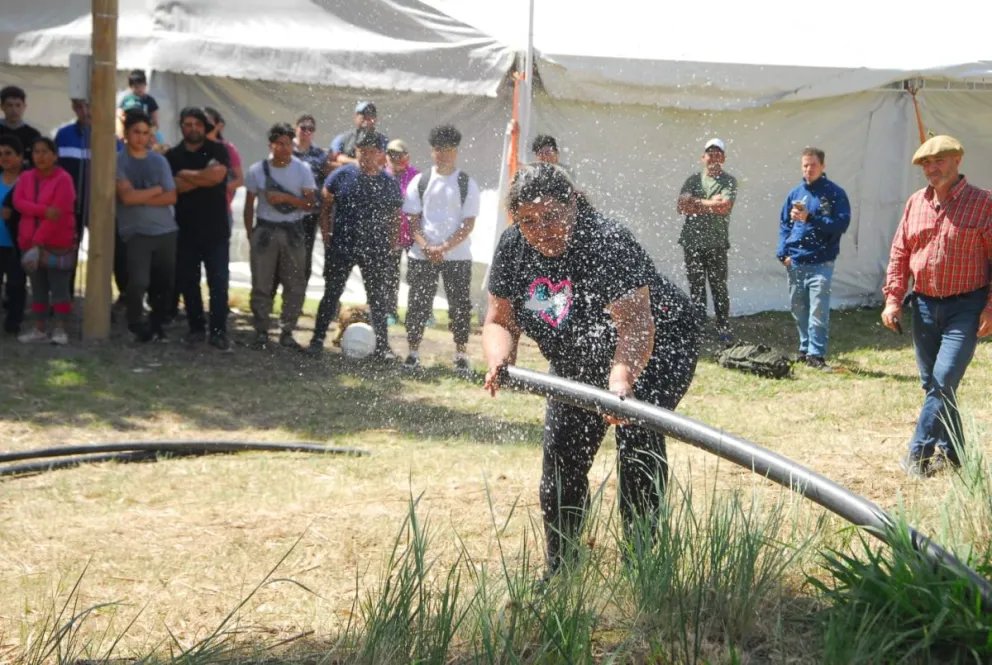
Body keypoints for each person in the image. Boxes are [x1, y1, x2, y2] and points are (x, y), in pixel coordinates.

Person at [482, 163, 700, 579]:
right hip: (580, 352)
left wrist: (620, 381)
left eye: (551, 216)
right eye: (528, 221)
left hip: (659, 340)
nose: (541, 230)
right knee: (562, 457)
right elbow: (499, 320)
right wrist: (499, 358)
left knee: (636, 442)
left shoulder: (606, 240)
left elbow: (636, 323)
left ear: (574, 204)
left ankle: (641, 569)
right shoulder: (513, 246)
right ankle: (561, 571)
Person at [882, 135, 992, 477]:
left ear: (957, 160)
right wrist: (893, 298)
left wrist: (990, 308)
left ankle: (917, 455)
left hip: (966, 305)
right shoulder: (916, 202)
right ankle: (954, 453)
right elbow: (900, 252)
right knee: (934, 383)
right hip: (924, 306)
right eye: (926, 164)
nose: (931, 168)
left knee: (942, 380)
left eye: (938, 160)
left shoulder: (984, 203)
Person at [308, 130, 402, 359]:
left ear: (380, 154)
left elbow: (395, 217)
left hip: (375, 248)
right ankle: (317, 339)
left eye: (371, 151)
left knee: (377, 299)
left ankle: (382, 347)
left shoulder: (389, 183)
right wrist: (326, 235)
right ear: (356, 151)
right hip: (342, 245)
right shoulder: (341, 175)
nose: (366, 156)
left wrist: (391, 244)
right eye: (362, 151)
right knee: (331, 293)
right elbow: (325, 204)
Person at [402, 125, 480, 372]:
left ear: (455, 152)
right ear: (432, 152)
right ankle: (413, 353)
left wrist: (444, 247)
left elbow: (468, 223)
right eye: (439, 150)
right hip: (421, 254)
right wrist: (426, 246)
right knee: (418, 304)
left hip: (457, 256)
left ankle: (461, 354)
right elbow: (412, 220)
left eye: (448, 150)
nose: (443, 155)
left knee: (459, 306)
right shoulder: (420, 181)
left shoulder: (467, 183)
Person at [243, 122, 316, 350]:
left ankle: (287, 331)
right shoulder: (257, 170)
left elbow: (311, 204)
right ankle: (261, 330)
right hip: (265, 230)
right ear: (271, 145)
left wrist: (287, 199)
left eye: (287, 144)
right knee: (261, 283)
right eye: (279, 144)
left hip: (293, 230)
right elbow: (248, 205)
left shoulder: (302, 169)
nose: (284, 149)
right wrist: (251, 234)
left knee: (295, 284)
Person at [776, 147, 851, 369]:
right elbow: (784, 225)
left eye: (813, 165)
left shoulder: (834, 193)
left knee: (818, 309)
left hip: (821, 262)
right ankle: (805, 348)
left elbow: (841, 224)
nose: (809, 169)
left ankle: (816, 355)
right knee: (798, 309)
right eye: (805, 165)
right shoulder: (795, 193)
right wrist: (783, 253)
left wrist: (811, 218)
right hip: (796, 261)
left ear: (823, 166)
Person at [165, 107, 232, 351]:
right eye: (188, 124)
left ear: (205, 127)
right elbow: (175, 186)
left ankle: (218, 332)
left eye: (197, 124)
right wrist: (203, 176)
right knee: (188, 282)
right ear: (181, 127)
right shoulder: (172, 155)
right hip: (185, 229)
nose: (193, 128)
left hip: (216, 230)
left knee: (219, 282)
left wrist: (186, 174)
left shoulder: (218, 150)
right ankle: (195, 328)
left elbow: (217, 177)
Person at [116, 110, 178, 343]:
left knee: (163, 282)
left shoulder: (159, 161)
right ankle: (135, 322)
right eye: (136, 132)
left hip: (166, 230)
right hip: (136, 232)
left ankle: (157, 325)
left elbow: (171, 196)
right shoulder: (118, 161)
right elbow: (126, 198)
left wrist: (139, 195)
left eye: (145, 133)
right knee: (138, 281)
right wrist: (155, 190)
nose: (141, 137)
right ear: (126, 133)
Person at [14, 138, 77, 345]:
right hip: (28, 241)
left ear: (54, 155)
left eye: (45, 151)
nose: (40, 156)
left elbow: (57, 214)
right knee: (38, 289)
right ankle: (39, 328)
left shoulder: (64, 180)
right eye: (36, 152)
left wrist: (38, 241)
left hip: (57, 243)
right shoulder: (25, 177)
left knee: (59, 289)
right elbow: (18, 202)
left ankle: (61, 329)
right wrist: (43, 210)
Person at [677, 138, 738, 344]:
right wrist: (711, 202)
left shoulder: (729, 181)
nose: (714, 158)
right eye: (710, 154)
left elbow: (724, 207)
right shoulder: (693, 180)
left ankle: (723, 326)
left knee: (719, 287)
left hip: (716, 243)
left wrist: (696, 203)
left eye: (718, 154)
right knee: (696, 288)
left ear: (724, 158)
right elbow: (681, 206)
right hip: (692, 243)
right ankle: (698, 327)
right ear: (703, 157)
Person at [384, 138, 420, 324]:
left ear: (407, 156)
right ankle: (389, 311)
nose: (394, 158)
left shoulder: (417, 176)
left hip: (413, 235)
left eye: (398, 154)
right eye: (390, 154)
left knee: (416, 276)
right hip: (390, 234)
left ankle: (418, 313)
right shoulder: (381, 174)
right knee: (389, 275)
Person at [292, 113, 328, 288]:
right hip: (285, 211)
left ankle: (299, 294)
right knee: (282, 253)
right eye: (303, 127)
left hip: (309, 213)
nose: (306, 132)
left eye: (310, 129)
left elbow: (323, 181)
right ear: (296, 128)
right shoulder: (285, 149)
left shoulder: (319, 155)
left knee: (305, 254)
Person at [0, 135, 26, 334]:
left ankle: (14, 321)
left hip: (16, 243)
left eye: (8, 153)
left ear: (20, 156)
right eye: (0, 154)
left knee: (16, 284)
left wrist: (14, 214)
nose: (4, 158)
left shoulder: (28, 181)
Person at [204, 107, 244, 229]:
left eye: (208, 122)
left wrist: (219, 189)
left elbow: (239, 180)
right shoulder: (188, 149)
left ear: (219, 126)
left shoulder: (228, 149)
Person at [327, 101, 388, 171]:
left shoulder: (383, 140)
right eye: (364, 115)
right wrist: (355, 162)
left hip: (373, 173)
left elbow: (387, 159)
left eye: (372, 115)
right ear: (355, 117)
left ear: (376, 119)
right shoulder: (343, 138)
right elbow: (334, 158)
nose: (368, 118)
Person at [0, 86, 41, 169]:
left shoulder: (33, 135)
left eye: (18, 105)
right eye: (9, 105)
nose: (14, 110)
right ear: (2, 107)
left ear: (24, 107)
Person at [117, 69, 160, 137]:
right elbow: (119, 113)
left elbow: (155, 122)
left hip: (145, 131)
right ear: (130, 87)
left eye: (141, 86)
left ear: (145, 85)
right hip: (129, 131)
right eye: (136, 87)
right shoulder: (126, 99)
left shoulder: (150, 100)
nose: (139, 89)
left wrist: (150, 132)